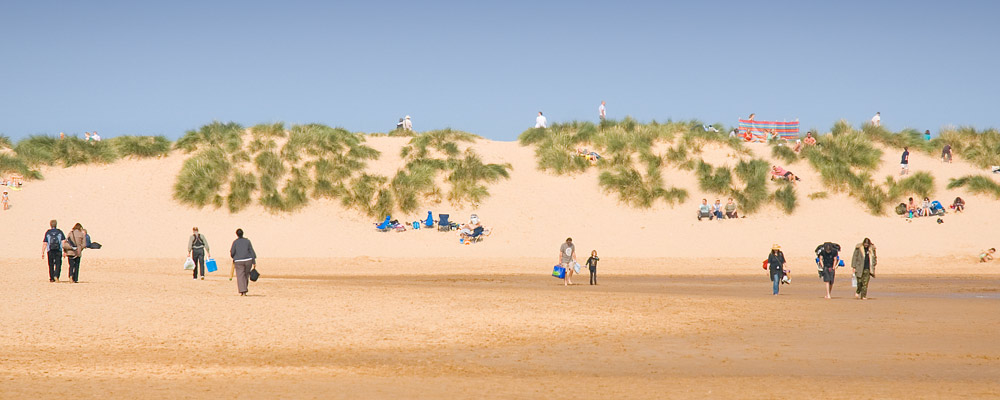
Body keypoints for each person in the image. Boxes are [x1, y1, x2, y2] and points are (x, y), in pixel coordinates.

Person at [229, 228, 257, 296]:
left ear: (237, 234)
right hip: (248, 260)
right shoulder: (247, 241)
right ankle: (244, 289)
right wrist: (254, 261)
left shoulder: (235, 242)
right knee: (246, 275)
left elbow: (232, 252)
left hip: (238, 261)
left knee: (240, 276)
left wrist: (234, 257)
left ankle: (243, 290)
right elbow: (251, 251)